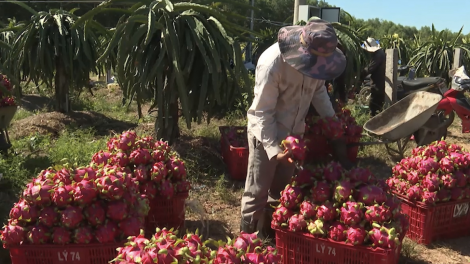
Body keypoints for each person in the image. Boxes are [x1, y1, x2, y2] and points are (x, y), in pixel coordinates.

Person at [240, 17, 354, 240]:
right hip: (266, 134)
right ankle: (245, 240)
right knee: (257, 191)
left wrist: (333, 122)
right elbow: (263, 113)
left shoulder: (318, 66)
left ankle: (267, 236)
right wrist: (275, 151)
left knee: (281, 189)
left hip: (294, 135)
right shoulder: (273, 63)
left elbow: (319, 92)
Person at [360, 37, 386, 117]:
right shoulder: (381, 53)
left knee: (373, 107)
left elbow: (370, 68)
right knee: (378, 106)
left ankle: (373, 123)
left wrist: (360, 75)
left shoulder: (378, 55)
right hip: (380, 82)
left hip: (378, 85)